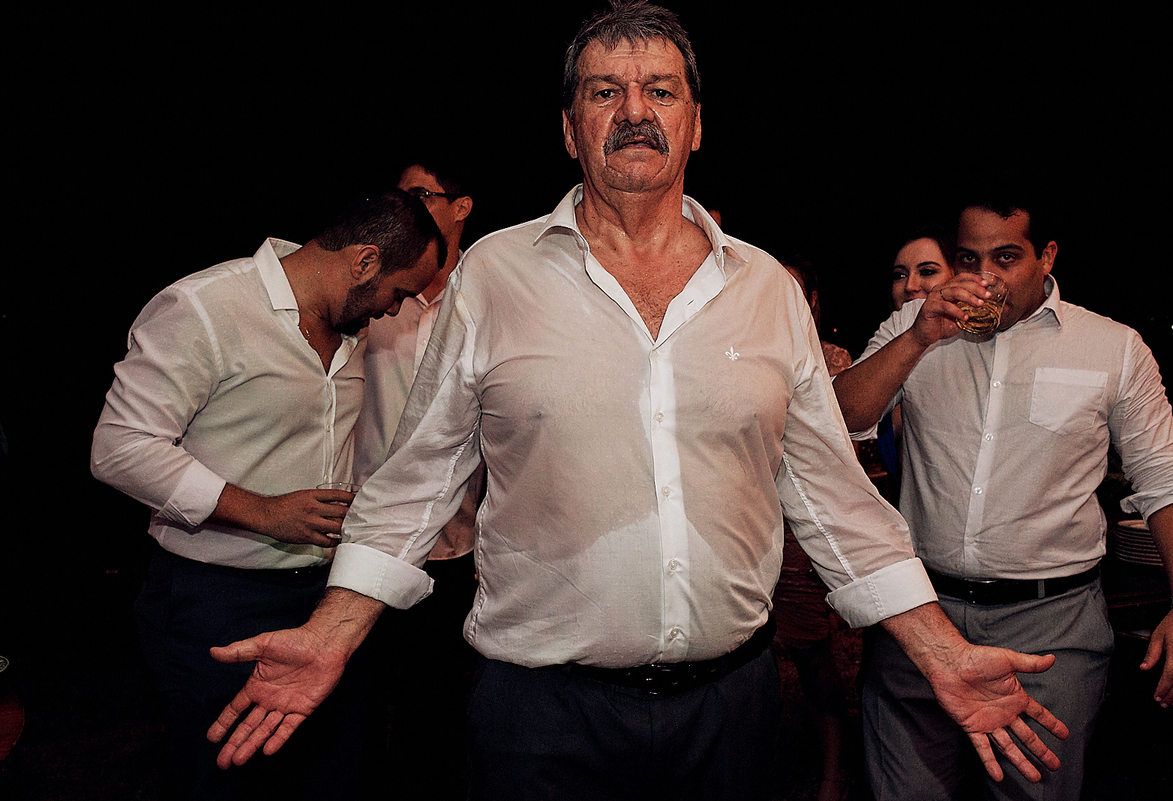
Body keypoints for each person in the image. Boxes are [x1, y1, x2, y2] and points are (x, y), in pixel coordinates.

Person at [207, 6, 1069, 799]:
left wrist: (940, 652)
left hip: (729, 711)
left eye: (661, 90)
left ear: (696, 124)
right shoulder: (493, 276)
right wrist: (330, 632)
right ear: (569, 129)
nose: (634, 110)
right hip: (538, 716)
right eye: (604, 92)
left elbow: (834, 500)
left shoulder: (764, 288)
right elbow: (416, 482)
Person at [834, 185, 1173, 800]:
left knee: (1033, 790)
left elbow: (1167, 478)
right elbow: (845, 416)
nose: (985, 277)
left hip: (1052, 629)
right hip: (922, 616)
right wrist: (919, 338)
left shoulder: (1114, 347)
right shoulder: (914, 324)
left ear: (1047, 256)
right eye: (970, 259)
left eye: (1006, 258)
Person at [90, 190, 445, 801]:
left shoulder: (354, 331)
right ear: (363, 262)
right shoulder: (205, 306)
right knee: (223, 780)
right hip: (213, 599)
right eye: (400, 291)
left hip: (325, 603)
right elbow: (118, 446)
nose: (395, 311)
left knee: (329, 779)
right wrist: (264, 511)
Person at [356, 159, 482, 796]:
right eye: (398, 194)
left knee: (442, 720)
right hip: (363, 543)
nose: (404, 204)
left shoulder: (486, 300)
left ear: (461, 207)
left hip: (458, 554)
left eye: (421, 194)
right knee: (361, 719)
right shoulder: (372, 300)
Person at [775, 256, 862, 801]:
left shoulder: (834, 362)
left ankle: (833, 769)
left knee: (811, 656)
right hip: (748, 530)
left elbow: (841, 457)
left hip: (803, 536)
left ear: (811, 302)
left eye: (795, 291)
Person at [878, 224, 955, 482]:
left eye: (927, 272)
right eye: (900, 275)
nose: (910, 286)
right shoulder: (881, 354)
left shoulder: (966, 353)